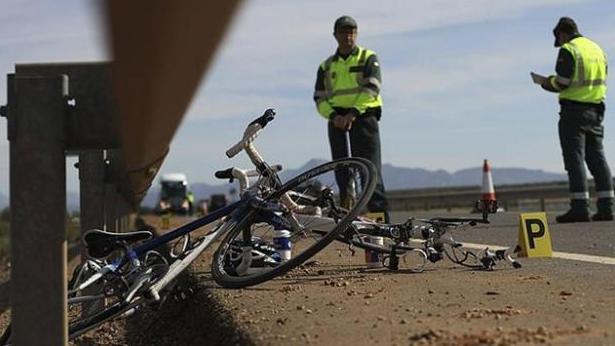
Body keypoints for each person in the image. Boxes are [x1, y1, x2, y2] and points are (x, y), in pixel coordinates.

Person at [535, 17, 613, 222]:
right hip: (596, 109)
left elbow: (562, 83)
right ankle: (608, 207)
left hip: (573, 111)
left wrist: (544, 82)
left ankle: (580, 207)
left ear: (561, 33)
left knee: (574, 158)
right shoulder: (596, 49)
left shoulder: (570, 49)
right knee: (597, 157)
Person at [313, 15, 390, 222]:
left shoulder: (368, 57)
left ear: (356, 34)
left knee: (370, 172)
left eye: (352, 31)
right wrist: (334, 116)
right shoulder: (326, 66)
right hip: (336, 120)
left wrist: (352, 113)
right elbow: (319, 98)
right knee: (342, 173)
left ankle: (381, 228)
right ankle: (348, 223)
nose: (348, 36)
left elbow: (372, 88)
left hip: (363, 117)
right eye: (344, 31)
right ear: (335, 35)